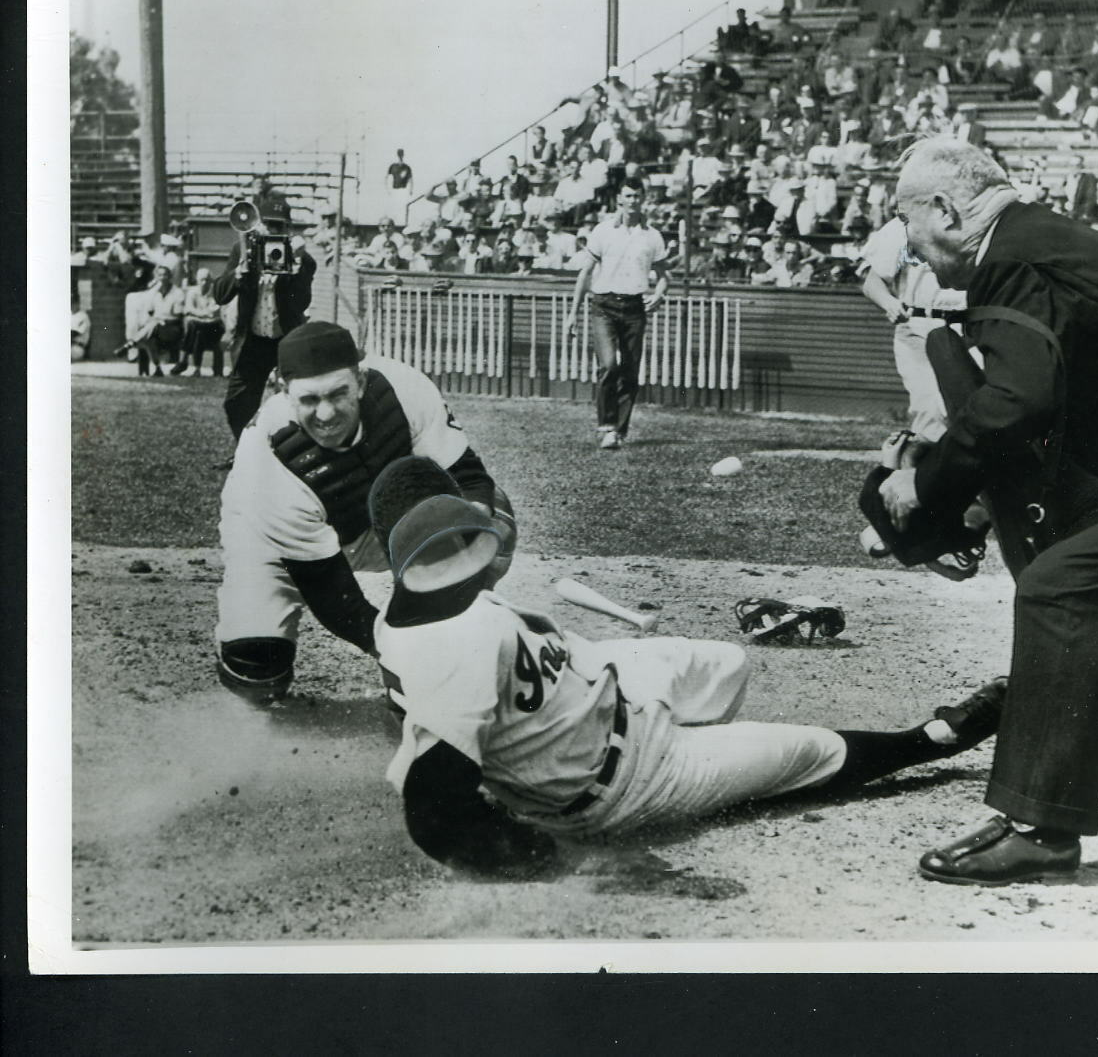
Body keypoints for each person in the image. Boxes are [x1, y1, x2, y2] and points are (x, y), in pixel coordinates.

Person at [366, 456, 1009, 875]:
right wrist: (554, 859)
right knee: (809, 752)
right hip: (629, 778)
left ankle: (700, 733)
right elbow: (434, 811)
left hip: (597, 693)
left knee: (728, 664)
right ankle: (934, 737)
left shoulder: (413, 612)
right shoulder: (456, 642)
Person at [881, 137, 1098, 885]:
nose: (902, 237)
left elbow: (1018, 401)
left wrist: (928, 485)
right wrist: (977, 506)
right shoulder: (1037, 240)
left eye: (903, 216)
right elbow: (1054, 406)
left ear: (943, 208)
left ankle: (1039, 830)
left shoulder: (1011, 256)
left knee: (1063, 590)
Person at [214, 321, 514, 705]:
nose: (325, 413)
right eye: (308, 400)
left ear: (360, 379)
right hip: (273, 544)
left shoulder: (404, 389)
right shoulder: (268, 453)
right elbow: (327, 588)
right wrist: (396, 649)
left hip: (373, 523)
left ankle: (452, 631)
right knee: (255, 661)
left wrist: (459, 555)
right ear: (283, 393)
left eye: (339, 393)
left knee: (491, 520)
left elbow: (467, 476)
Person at [564, 179, 669, 450]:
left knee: (630, 372)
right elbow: (585, 272)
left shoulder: (652, 236)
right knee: (609, 365)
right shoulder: (603, 231)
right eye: (628, 195)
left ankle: (619, 431)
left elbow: (663, 277)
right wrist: (572, 314)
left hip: (635, 308)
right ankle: (607, 425)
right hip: (604, 305)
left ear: (644, 198)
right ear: (619, 200)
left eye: (637, 195)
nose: (633, 200)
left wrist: (659, 295)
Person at [213, 195, 317, 445]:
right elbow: (219, 294)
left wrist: (297, 269)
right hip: (254, 341)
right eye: (268, 224)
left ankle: (286, 453)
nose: (272, 231)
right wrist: (239, 272)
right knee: (236, 404)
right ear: (258, 224)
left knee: (293, 403)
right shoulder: (243, 250)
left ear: (288, 229)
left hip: (285, 340)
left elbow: (301, 303)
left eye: (278, 226)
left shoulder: (302, 259)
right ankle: (248, 450)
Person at [859, 216, 967, 442]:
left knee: (974, 407)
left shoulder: (979, 220)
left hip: (969, 323)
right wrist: (889, 303)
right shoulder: (904, 225)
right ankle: (924, 472)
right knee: (930, 410)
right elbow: (872, 281)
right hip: (919, 324)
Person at [131, 262, 185, 375]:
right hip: (156, 327)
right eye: (160, 275)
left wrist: (161, 320)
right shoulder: (154, 293)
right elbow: (150, 311)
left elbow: (178, 316)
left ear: (170, 276)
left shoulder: (177, 293)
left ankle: (132, 342)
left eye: (165, 275)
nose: (162, 278)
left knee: (151, 328)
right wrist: (156, 321)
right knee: (148, 338)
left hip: (172, 328)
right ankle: (157, 368)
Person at [172, 266, 226, 377]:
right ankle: (195, 368)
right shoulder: (192, 292)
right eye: (202, 279)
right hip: (200, 327)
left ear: (211, 280)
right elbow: (188, 309)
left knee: (192, 324)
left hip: (213, 327)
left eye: (207, 279)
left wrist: (198, 314)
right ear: (197, 280)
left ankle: (183, 360)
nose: (204, 282)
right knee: (197, 333)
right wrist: (204, 314)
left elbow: (214, 312)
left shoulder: (215, 291)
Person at [385, 149, 414, 223]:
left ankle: (402, 222)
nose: (400, 156)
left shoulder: (407, 167)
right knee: (393, 207)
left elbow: (410, 180)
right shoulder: (393, 166)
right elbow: (387, 177)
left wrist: (410, 191)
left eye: (401, 154)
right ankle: (393, 222)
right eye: (399, 154)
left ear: (403, 155)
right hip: (394, 190)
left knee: (403, 208)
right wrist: (388, 190)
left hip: (403, 191)